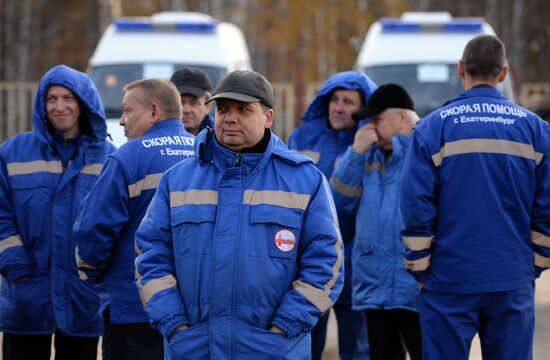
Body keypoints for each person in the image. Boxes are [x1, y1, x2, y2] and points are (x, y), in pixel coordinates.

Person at [135, 70, 344, 359]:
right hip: (193, 349)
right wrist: (175, 327)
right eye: (223, 109)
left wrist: (283, 330)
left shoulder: (306, 181)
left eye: (243, 109)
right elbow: (151, 257)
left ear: (268, 117)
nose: (230, 118)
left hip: (273, 350)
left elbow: (326, 265)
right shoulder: (177, 180)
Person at [400, 34, 550, 360]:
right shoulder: (536, 130)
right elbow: (547, 206)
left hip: (448, 278)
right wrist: (535, 263)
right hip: (512, 276)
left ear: (460, 69)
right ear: (503, 73)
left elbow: (415, 205)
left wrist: (421, 269)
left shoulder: (432, 128)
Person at [0, 65, 117, 360]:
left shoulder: (109, 156)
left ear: (83, 103)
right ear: (42, 103)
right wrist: (15, 266)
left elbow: (117, 222)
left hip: (83, 295)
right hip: (27, 291)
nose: (59, 106)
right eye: (51, 99)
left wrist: (98, 273)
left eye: (68, 98)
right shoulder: (13, 152)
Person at [73, 78, 195, 360]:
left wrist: (89, 271)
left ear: (154, 112)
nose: (121, 121)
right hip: (194, 308)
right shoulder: (203, 152)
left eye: (128, 111)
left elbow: (93, 228)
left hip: (134, 306)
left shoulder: (129, 156)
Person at [288, 71, 376, 360]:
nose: (339, 108)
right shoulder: (302, 137)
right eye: (334, 100)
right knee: (305, 349)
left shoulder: (373, 146)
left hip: (356, 268)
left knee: (358, 350)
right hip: (308, 268)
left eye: (349, 101)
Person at [331, 84, 421, 360]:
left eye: (377, 120)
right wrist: (355, 152)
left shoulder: (424, 152)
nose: (371, 128)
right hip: (375, 286)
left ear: (403, 119)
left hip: (414, 287)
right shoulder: (369, 154)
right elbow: (337, 200)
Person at [169, 67, 214, 135]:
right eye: (180, 103)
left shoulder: (221, 136)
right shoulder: (154, 137)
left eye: (193, 103)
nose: (186, 110)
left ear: (208, 106)